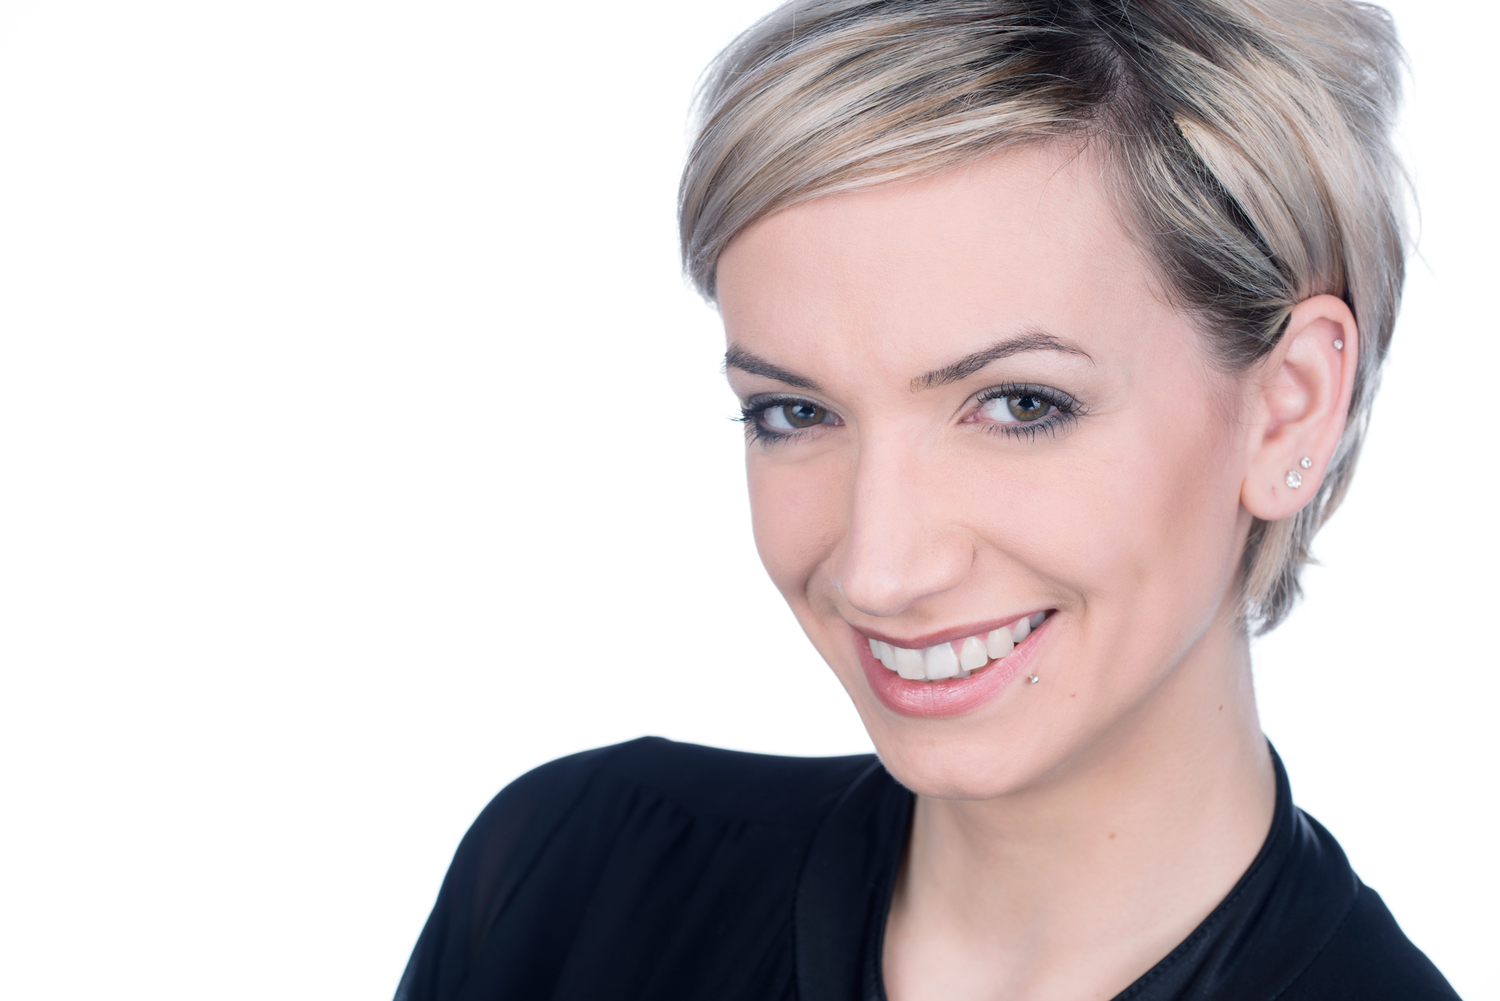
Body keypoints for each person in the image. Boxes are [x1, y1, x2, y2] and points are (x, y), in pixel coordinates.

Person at [395, 1, 1459, 998]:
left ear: (1287, 408)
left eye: (1021, 403)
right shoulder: (572, 887)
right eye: (795, 413)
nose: (879, 570)